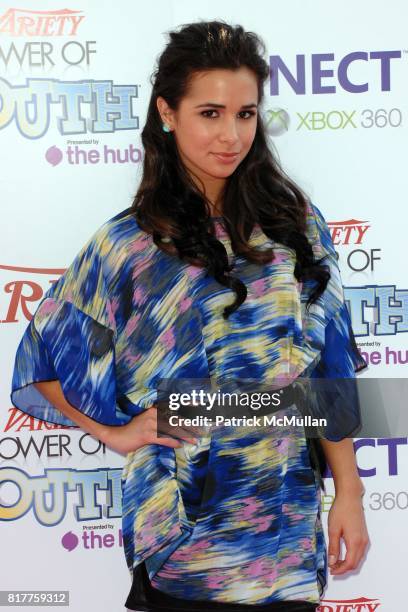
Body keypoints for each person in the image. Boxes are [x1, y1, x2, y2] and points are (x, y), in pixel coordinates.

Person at [10, 20, 370, 612]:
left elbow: (328, 372)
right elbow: (44, 359)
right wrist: (115, 433)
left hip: (285, 532)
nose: (231, 135)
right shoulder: (128, 245)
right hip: (184, 540)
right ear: (167, 113)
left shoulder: (294, 227)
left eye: (246, 114)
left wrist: (350, 494)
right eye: (210, 113)